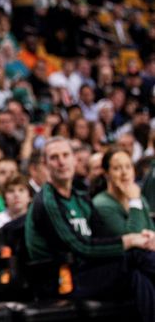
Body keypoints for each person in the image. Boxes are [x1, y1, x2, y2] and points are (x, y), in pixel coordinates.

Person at [25, 137, 155, 322]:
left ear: (74, 159)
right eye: (54, 157)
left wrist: (143, 238)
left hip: (86, 271)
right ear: (45, 165)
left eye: (65, 155)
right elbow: (80, 247)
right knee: (134, 257)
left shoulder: (80, 198)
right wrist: (132, 240)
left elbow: (105, 237)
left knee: (137, 274)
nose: (61, 161)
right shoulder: (46, 201)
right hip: (60, 280)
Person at [92, 149, 154, 236]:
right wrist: (134, 202)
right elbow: (131, 239)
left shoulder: (140, 198)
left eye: (128, 166)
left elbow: (152, 231)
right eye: (117, 168)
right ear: (106, 174)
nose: (125, 172)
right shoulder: (101, 205)